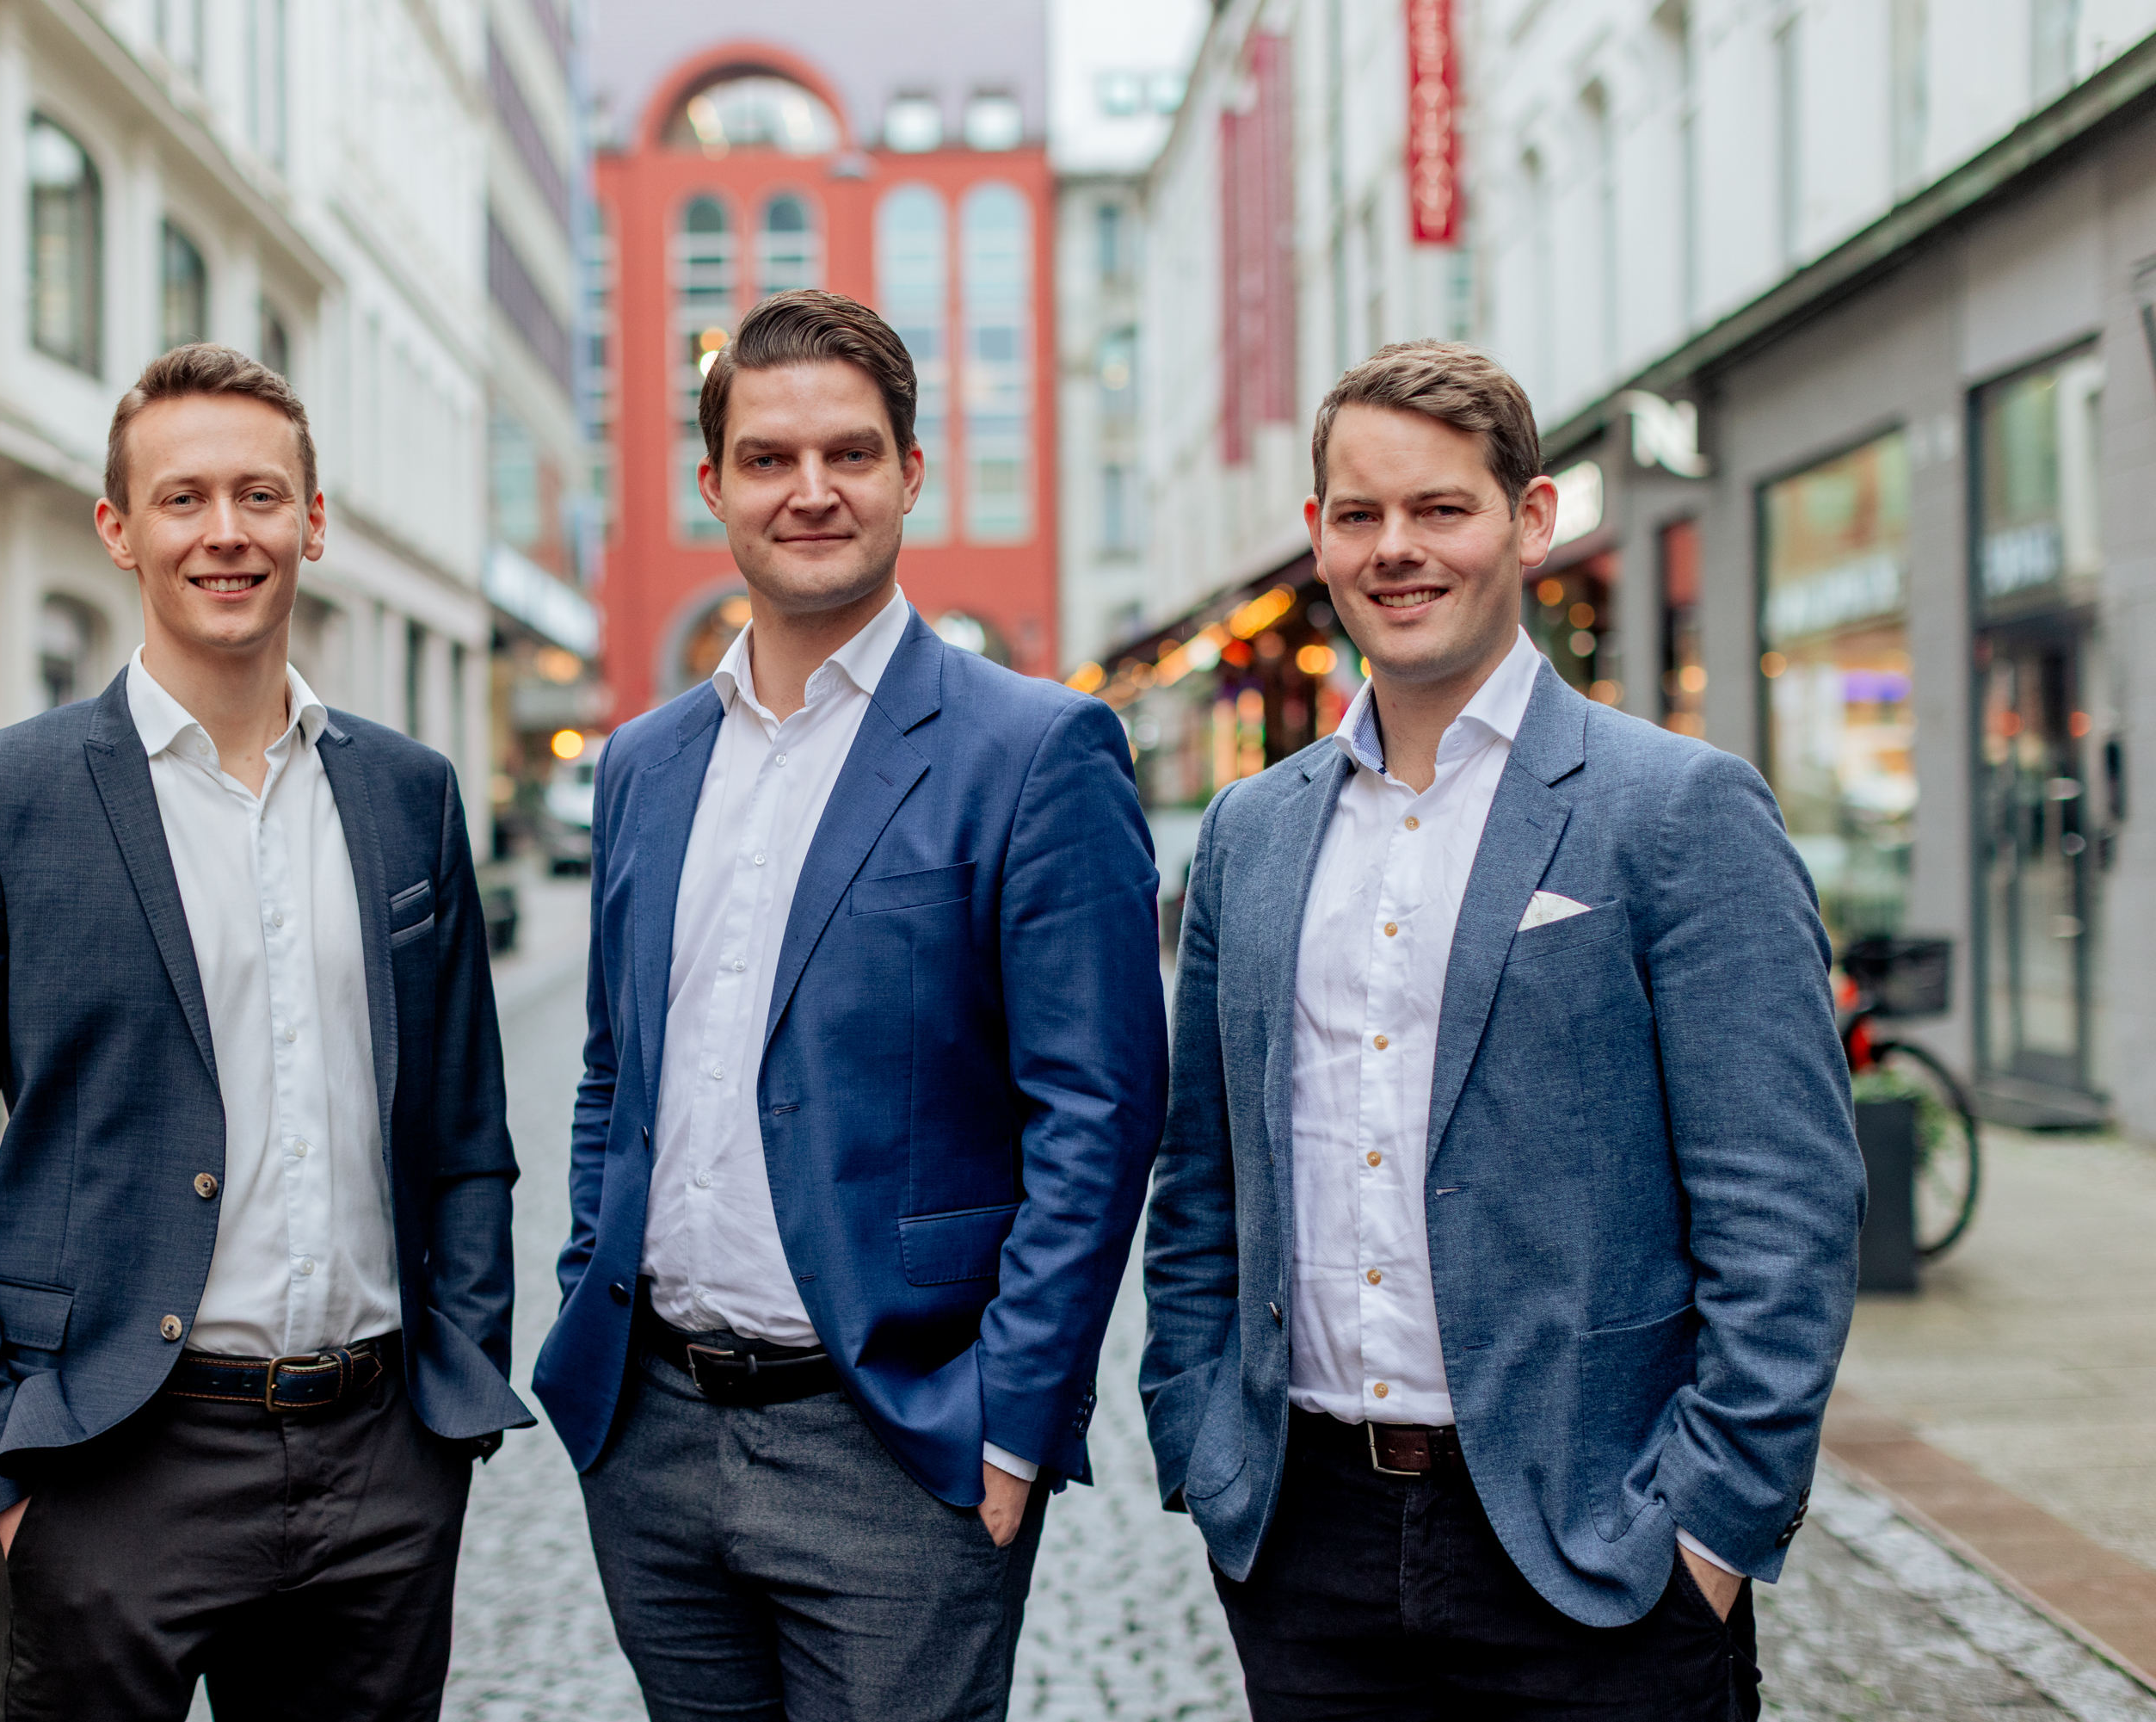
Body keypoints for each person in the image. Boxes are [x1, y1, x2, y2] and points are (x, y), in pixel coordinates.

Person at [1139, 340, 1863, 1719]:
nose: (1397, 549)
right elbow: (1203, 1174)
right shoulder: (1250, 832)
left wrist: (1705, 1533)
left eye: (1441, 509)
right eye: (1360, 515)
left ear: (1528, 521)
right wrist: (1205, 1443)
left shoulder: (1675, 810)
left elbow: (1789, 1206)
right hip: (1308, 1548)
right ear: (1319, 538)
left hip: (1595, 1553)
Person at [0, 344, 530, 1721]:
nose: (228, 532)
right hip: (111, 1472)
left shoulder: (407, 796)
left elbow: (465, 1137)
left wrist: (448, 1412)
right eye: (185, 499)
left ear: (313, 522)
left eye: (262, 496)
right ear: (120, 530)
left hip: (377, 1473)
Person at [533, 289, 1167, 1722]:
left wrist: (1013, 1416)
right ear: (714, 489)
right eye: (767, 458)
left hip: (898, 1436)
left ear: (910, 474)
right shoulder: (643, 763)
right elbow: (612, 1070)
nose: (810, 489)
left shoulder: (1034, 749)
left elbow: (1103, 1111)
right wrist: (593, 1281)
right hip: (656, 1438)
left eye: (850, 453)